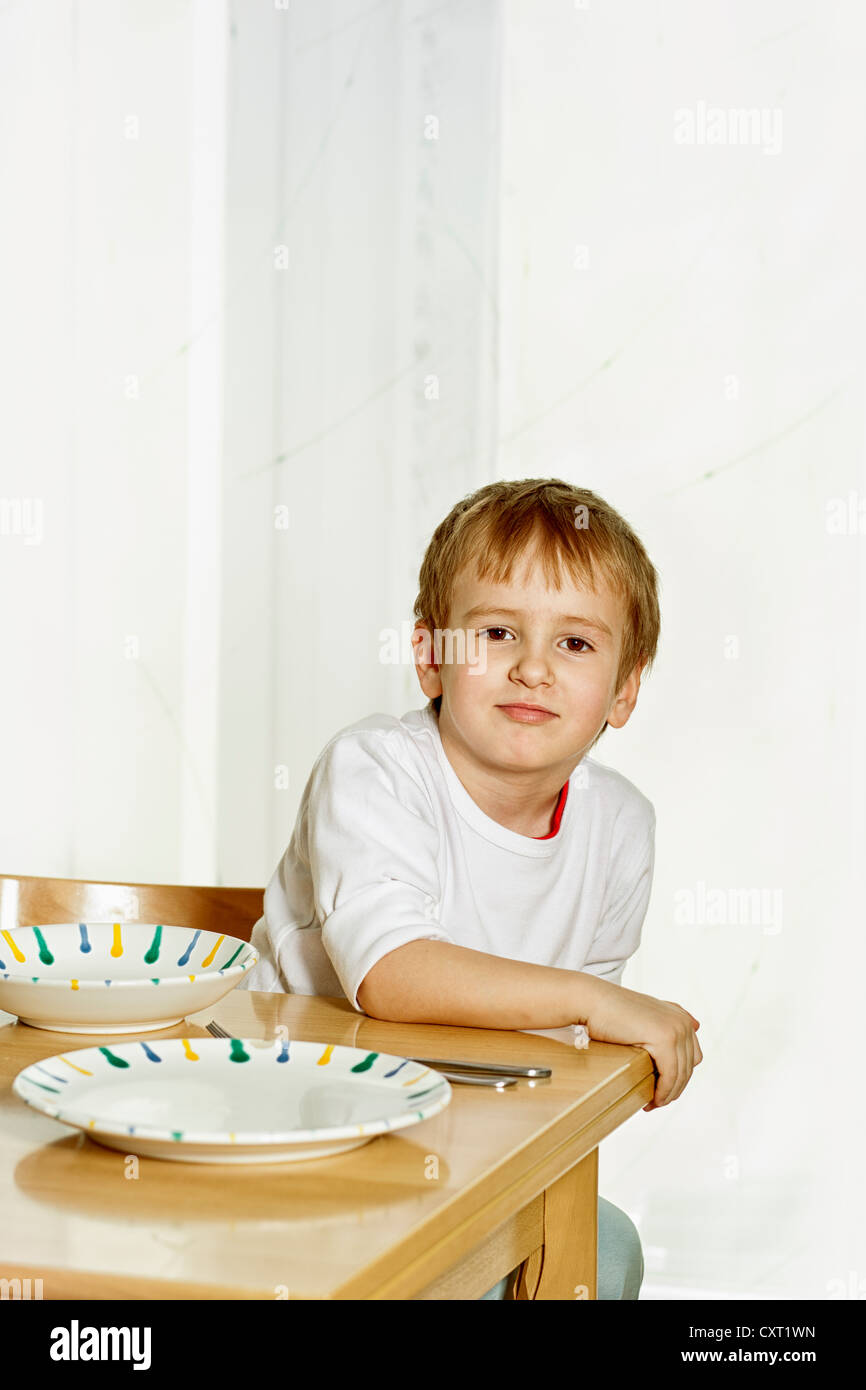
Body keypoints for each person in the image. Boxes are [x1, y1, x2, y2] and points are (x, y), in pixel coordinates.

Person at [240, 477, 703, 1300]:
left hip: (470, 1154)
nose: (532, 669)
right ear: (430, 656)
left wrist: (586, 1018)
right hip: (295, 1138)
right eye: (497, 632)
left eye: (576, 645)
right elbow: (392, 974)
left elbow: (566, 1067)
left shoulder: (621, 826)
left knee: (606, 1248)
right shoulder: (377, 769)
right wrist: (593, 1003)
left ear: (625, 688)